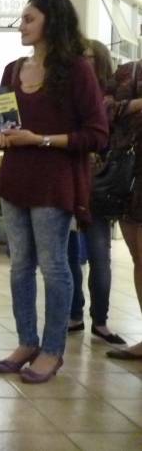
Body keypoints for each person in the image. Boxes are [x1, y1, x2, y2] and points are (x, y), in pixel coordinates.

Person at [0, 0, 108, 383]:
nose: (21, 26)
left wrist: (38, 139)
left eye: (29, 18)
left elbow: (96, 134)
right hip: (15, 180)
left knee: (54, 265)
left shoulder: (77, 71)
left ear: (51, 21)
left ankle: (53, 349)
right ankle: (27, 341)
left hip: (54, 183)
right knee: (20, 266)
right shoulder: (12, 70)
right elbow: (4, 126)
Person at [66, 39, 125, 345]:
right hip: (71, 182)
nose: (83, 62)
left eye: (88, 57)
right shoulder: (72, 94)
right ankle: (74, 314)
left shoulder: (109, 98)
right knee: (68, 256)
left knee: (99, 255)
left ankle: (99, 320)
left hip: (99, 186)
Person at [105, 57, 142, 360]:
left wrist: (129, 107)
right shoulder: (127, 72)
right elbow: (105, 111)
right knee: (138, 257)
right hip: (130, 173)